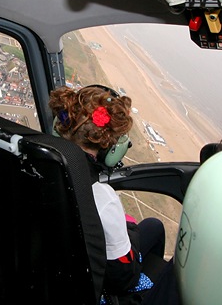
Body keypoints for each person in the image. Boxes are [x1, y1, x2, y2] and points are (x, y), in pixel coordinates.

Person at [49, 84, 167, 304]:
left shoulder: (40, 169)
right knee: (165, 264)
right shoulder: (101, 197)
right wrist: (129, 229)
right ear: (110, 147)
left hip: (47, 273)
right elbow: (124, 277)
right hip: (87, 290)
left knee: (153, 227)